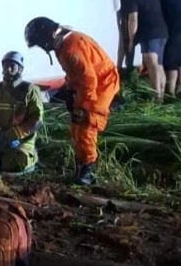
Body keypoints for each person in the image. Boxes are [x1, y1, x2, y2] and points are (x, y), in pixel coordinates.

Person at [24, 17, 119, 186]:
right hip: (90, 83)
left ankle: (87, 171)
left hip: (101, 84)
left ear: (50, 35)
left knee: (86, 124)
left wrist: (82, 107)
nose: (43, 47)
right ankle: (81, 165)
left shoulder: (71, 48)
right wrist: (69, 91)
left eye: (41, 43)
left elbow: (89, 80)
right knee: (76, 125)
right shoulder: (64, 45)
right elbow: (75, 74)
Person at [120, 0, 168, 103]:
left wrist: (131, 41)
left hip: (149, 33)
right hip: (162, 31)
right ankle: (162, 94)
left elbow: (133, 20)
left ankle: (156, 97)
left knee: (152, 65)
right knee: (159, 64)